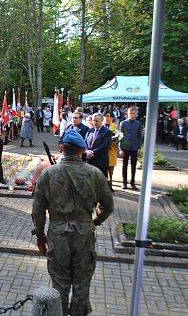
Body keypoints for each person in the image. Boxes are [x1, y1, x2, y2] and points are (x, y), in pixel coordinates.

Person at [32, 130, 113, 315]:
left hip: (58, 233)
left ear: (61, 148)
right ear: (82, 150)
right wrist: (95, 220)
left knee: (59, 284)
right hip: (84, 232)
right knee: (82, 284)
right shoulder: (95, 173)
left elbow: (37, 210)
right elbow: (108, 206)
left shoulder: (48, 174)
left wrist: (40, 236)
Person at [119, 108, 142, 190]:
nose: (132, 114)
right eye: (130, 113)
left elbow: (139, 136)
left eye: (133, 113)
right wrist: (120, 148)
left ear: (136, 114)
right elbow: (120, 136)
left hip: (134, 147)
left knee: (133, 165)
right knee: (124, 165)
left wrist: (139, 147)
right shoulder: (123, 123)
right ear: (128, 114)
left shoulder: (138, 123)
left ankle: (132, 182)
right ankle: (124, 183)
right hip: (125, 146)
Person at [104, 111, 118, 189]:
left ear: (112, 118)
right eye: (106, 115)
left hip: (112, 150)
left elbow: (117, 137)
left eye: (108, 116)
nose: (107, 117)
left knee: (111, 168)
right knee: (104, 168)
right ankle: (104, 184)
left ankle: (110, 183)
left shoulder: (114, 127)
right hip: (103, 150)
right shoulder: (101, 125)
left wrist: (115, 140)